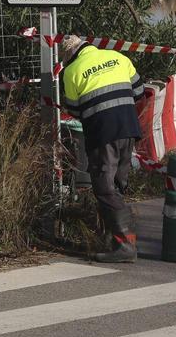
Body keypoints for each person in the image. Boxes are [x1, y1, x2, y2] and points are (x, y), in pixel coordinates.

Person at [59, 35, 145, 263]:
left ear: (69, 56)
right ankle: (114, 239)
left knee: (105, 188)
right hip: (129, 127)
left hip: (102, 133)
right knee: (117, 184)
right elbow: (139, 90)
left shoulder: (71, 71)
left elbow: (74, 109)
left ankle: (125, 245)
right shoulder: (117, 57)